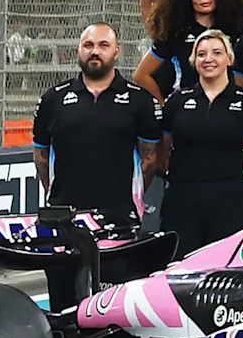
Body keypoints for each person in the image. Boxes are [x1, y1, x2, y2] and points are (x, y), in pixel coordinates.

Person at [155, 28, 243, 251]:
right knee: (180, 266)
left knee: (227, 271)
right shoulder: (177, 101)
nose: (208, 59)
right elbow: (163, 150)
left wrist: (242, 187)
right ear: (193, 61)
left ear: (229, 59)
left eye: (217, 53)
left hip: (232, 199)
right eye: (201, 54)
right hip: (182, 199)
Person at [32, 23, 160, 223]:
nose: (95, 52)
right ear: (79, 50)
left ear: (117, 51)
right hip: (64, 215)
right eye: (88, 45)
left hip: (120, 215)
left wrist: (130, 196)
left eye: (103, 45)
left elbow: (150, 160)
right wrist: (56, 195)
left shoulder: (140, 100)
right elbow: (41, 156)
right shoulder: (53, 99)